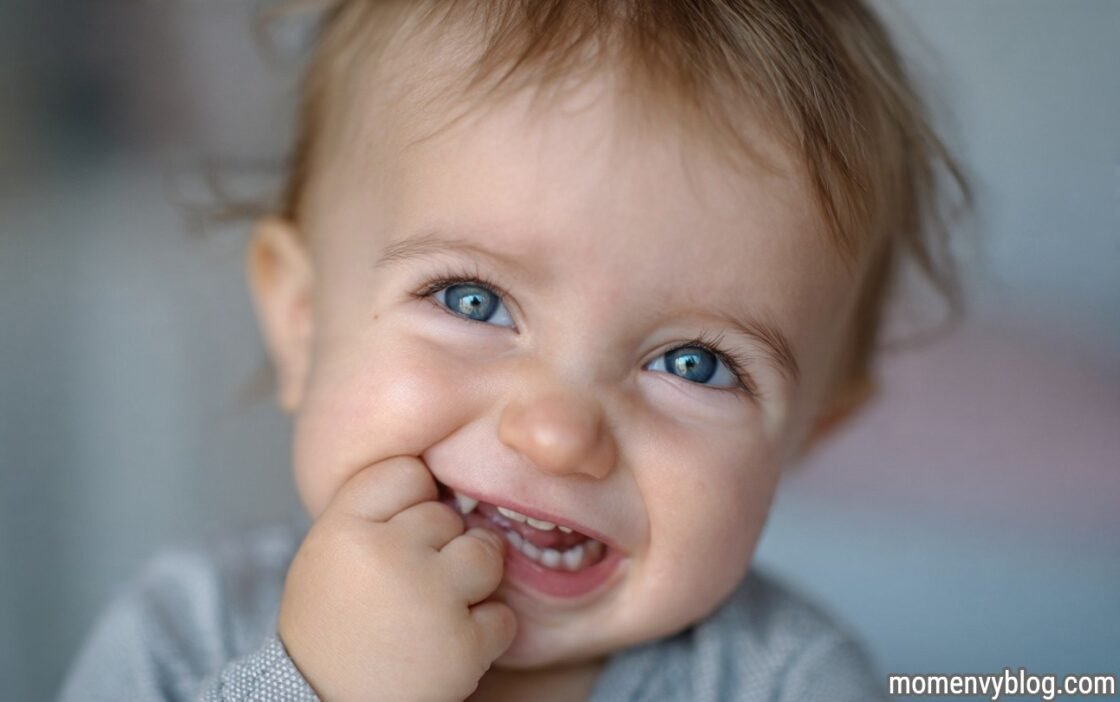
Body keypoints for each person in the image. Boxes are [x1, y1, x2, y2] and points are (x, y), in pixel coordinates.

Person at [60, 1, 966, 699]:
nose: (557, 432)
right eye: (473, 300)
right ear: (302, 319)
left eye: (693, 363)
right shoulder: (181, 632)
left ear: (806, 434)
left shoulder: (787, 681)